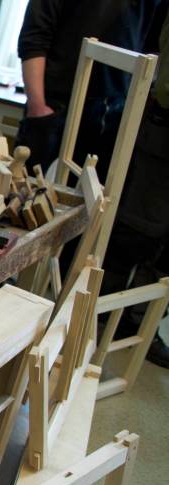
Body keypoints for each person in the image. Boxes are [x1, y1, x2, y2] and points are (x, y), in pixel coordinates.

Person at [16, 0, 167, 181]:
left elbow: (154, 51)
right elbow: (34, 39)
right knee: (29, 195)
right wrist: (38, 106)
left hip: (116, 115)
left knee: (93, 204)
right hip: (56, 107)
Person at [102, 13, 169, 367]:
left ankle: (139, 321)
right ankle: (102, 312)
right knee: (136, 231)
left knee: (163, 251)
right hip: (162, 135)